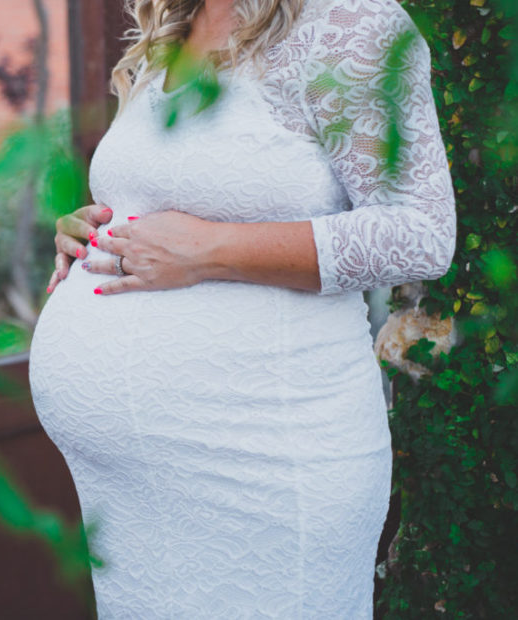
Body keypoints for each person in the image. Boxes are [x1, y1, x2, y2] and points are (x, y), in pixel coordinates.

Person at [29, 0, 456, 616]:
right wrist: (94, 228)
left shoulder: (353, 22)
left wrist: (213, 252)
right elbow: (182, 192)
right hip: (131, 496)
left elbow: (420, 233)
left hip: (265, 468)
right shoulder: (172, 27)